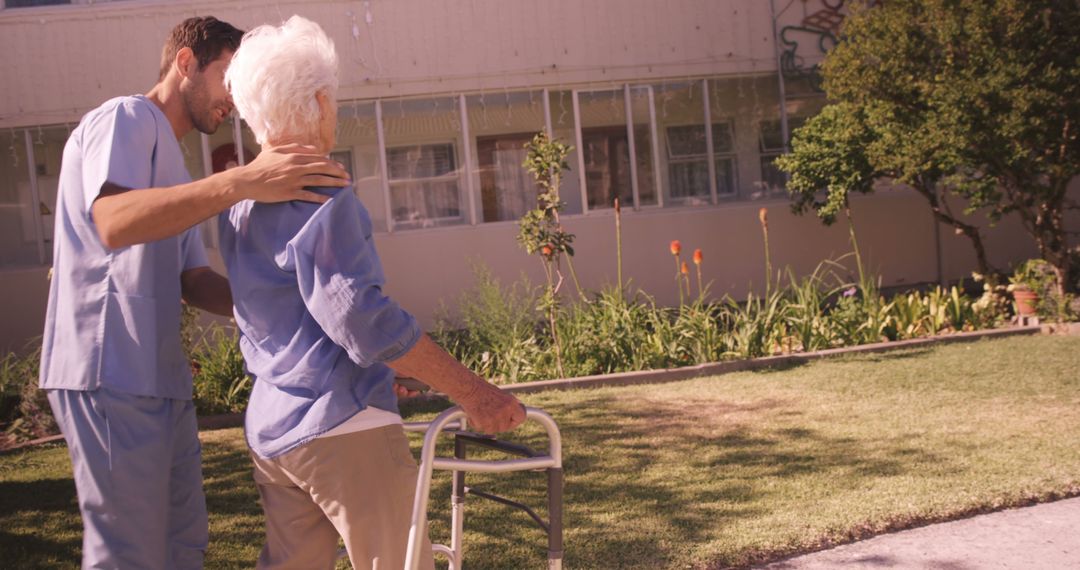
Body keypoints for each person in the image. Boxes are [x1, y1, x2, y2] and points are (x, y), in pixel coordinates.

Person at [39, 16, 352, 569]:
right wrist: (242, 182)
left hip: (160, 380)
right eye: (228, 78)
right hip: (107, 369)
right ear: (186, 64)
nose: (235, 99)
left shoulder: (177, 165)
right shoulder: (125, 117)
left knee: (184, 543)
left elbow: (193, 281)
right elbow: (112, 220)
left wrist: (299, 313)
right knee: (129, 555)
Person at [218, 16, 526, 570]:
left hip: (274, 430)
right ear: (316, 101)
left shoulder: (241, 208)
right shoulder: (324, 196)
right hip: (343, 423)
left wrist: (388, 369)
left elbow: (294, 313)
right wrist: (475, 392)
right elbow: (359, 317)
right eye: (333, 99)